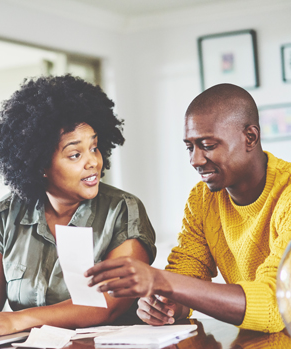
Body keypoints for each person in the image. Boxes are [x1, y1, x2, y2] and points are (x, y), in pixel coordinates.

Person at [85, 83, 291, 333]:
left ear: (250, 137)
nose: (195, 160)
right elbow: (186, 276)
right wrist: (165, 303)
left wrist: (160, 280)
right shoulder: (203, 199)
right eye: (189, 147)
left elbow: (276, 305)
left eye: (208, 145)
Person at [0, 75, 156, 336]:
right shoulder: (6, 215)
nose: (93, 162)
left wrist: (18, 320)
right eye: (75, 154)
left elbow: (108, 305)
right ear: (40, 165)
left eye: (94, 147)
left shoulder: (122, 210)